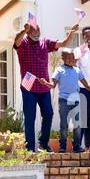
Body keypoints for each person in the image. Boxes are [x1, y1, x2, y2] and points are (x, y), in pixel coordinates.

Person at [14, 22, 79, 152]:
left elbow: (62, 44)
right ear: (28, 33)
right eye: (34, 34)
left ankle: (43, 143)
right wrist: (23, 31)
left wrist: (71, 32)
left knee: (48, 114)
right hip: (28, 83)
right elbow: (16, 41)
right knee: (30, 117)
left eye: (39, 33)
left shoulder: (44, 42)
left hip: (43, 85)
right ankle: (30, 148)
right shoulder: (23, 43)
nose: (37, 36)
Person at [40, 48, 90, 153]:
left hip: (76, 101)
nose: (72, 60)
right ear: (63, 58)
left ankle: (76, 146)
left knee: (78, 124)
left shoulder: (77, 70)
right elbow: (53, 86)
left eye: (73, 58)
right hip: (64, 101)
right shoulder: (59, 70)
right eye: (69, 58)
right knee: (64, 125)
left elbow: (86, 85)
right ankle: (62, 147)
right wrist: (45, 83)